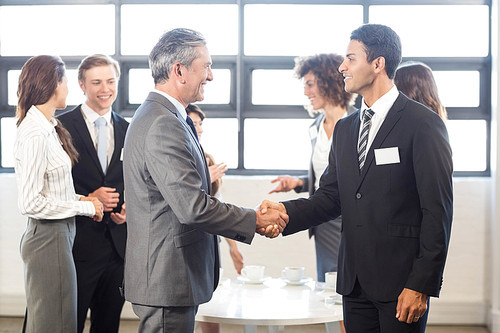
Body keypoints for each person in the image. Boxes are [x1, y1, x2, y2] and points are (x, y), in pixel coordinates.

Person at [261, 24, 453, 333]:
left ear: (378, 64)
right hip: (353, 282)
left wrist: (421, 284)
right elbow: (332, 197)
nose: (342, 67)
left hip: (402, 284)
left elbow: (437, 211)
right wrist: (286, 212)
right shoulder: (346, 129)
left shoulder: (423, 125)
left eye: (350, 58)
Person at [122, 28, 287, 332]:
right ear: (180, 71)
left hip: (171, 278)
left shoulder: (167, 117)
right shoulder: (162, 124)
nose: (210, 76)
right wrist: (255, 220)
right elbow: (193, 207)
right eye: (207, 66)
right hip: (165, 279)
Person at [14, 55, 103, 333]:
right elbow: (30, 202)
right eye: (66, 82)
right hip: (48, 238)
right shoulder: (34, 133)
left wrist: (82, 200)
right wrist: (86, 208)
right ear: (55, 83)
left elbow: (53, 189)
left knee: (55, 321)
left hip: (59, 235)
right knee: (56, 325)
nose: (68, 90)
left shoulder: (48, 127)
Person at [268, 54, 355, 284]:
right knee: (328, 286)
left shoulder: (359, 122)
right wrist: (299, 183)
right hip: (323, 220)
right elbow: (327, 177)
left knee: (353, 290)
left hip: (352, 218)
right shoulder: (315, 126)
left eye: (310, 84)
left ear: (329, 81)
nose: (306, 92)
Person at [58, 54, 128, 333]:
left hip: (117, 248)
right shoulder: (60, 126)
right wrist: (88, 196)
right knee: (69, 323)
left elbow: (135, 181)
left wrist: (128, 209)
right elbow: (52, 185)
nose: (105, 89)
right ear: (81, 85)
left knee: (108, 325)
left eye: (110, 81)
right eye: (96, 82)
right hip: (76, 245)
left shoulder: (128, 128)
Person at [186, 103, 244, 275]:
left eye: (200, 124)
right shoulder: (177, 161)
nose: (200, 130)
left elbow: (217, 206)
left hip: (209, 241)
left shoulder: (207, 160)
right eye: (194, 124)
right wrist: (205, 178)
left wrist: (233, 247)